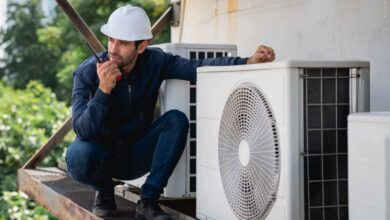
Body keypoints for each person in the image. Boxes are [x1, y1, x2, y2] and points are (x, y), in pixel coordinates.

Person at [65, 4, 275, 220]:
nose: (113, 48)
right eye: (111, 40)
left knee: (176, 120)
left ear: (141, 46)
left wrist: (246, 62)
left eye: (123, 43)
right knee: (77, 154)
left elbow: (198, 66)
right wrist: (103, 91)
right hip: (103, 157)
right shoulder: (86, 72)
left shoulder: (156, 61)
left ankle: (147, 201)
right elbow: (82, 130)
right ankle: (105, 192)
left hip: (137, 154)